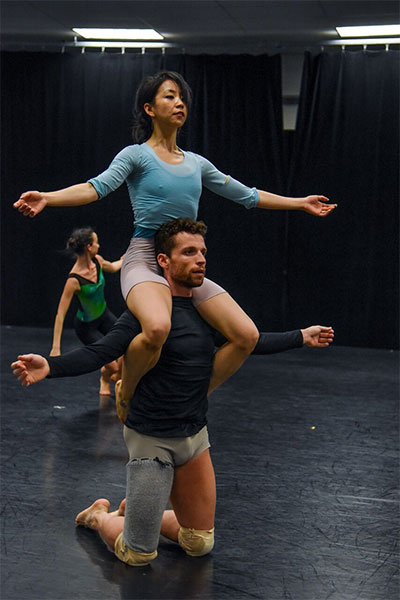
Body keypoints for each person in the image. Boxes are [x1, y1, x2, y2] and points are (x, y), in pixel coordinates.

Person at [13, 70, 337, 423]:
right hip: (146, 259)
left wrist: (300, 202)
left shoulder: (197, 164)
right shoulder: (136, 156)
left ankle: (192, 396)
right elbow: (96, 187)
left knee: (244, 335)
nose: (179, 102)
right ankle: (128, 388)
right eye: (169, 96)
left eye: (182, 97)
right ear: (149, 109)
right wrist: (48, 197)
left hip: (182, 263)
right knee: (155, 328)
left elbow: (248, 196)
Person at [11, 218, 334, 566]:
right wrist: (51, 365)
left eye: (203, 252)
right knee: (137, 555)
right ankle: (98, 517)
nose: (201, 260)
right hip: (152, 437)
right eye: (189, 252)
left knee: (198, 543)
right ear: (164, 261)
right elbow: (102, 351)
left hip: (193, 436)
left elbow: (249, 340)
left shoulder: (207, 311)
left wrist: (301, 336)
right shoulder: (148, 314)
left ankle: (133, 513)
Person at [51, 227, 123, 395]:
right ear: (89, 247)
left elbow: (112, 267)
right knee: (112, 365)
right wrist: (56, 348)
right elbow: (60, 314)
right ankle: (104, 378)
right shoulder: (74, 280)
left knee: (127, 347)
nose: (99, 245)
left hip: (104, 315)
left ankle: (118, 376)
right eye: (96, 242)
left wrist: (124, 260)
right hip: (86, 326)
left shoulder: (97, 261)